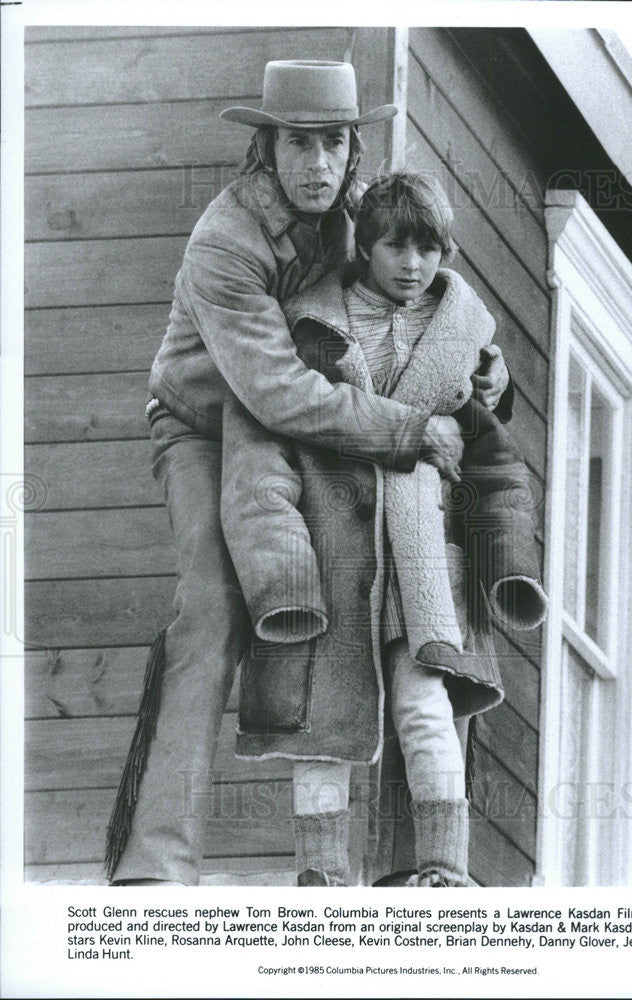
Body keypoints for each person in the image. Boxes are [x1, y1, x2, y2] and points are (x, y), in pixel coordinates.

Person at [104, 61, 510, 886]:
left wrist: (493, 368)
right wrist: (408, 429)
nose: (317, 164)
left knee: (395, 599)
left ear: (353, 148)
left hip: (334, 431)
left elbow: (418, 298)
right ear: (266, 147)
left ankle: (410, 865)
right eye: (299, 143)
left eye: (333, 142)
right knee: (215, 607)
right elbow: (279, 394)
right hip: (211, 425)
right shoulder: (224, 241)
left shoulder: (356, 215)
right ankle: (155, 865)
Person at [221, 172, 547, 886]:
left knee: (425, 703)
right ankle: (322, 879)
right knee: (322, 725)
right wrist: (281, 571)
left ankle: (443, 869)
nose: (413, 264)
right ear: (363, 245)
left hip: (423, 563)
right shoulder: (306, 331)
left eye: (429, 248)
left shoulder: (463, 345)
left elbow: (496, 462)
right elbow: (265, 447)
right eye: (396, 245)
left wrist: (508, 564)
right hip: (329, 553)